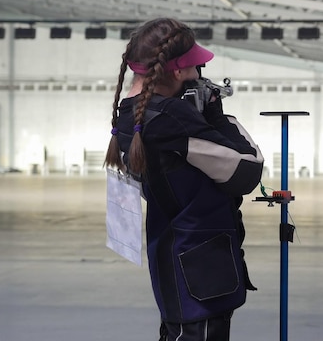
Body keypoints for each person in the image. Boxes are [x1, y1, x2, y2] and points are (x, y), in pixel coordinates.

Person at [104, 18, 264, 341]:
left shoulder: (129, 116)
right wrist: (218, 117)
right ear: (176, 72)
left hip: (173, 266)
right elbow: (247, 167)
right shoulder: (172, 120)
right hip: (200, 273)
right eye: (193, 68)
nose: (197, 75)